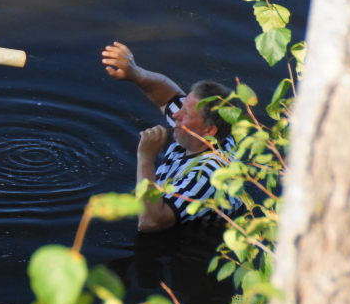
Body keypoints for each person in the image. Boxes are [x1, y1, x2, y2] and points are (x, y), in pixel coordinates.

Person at [101, 42, 245, 232]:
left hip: (189, 244)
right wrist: (136, 74)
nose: (176, 114)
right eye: (183, 106)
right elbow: (168, 96)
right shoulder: (205, 134)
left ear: (209, 131)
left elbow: (150, 222)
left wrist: (145, 158)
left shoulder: (208, 176)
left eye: (186, 113)